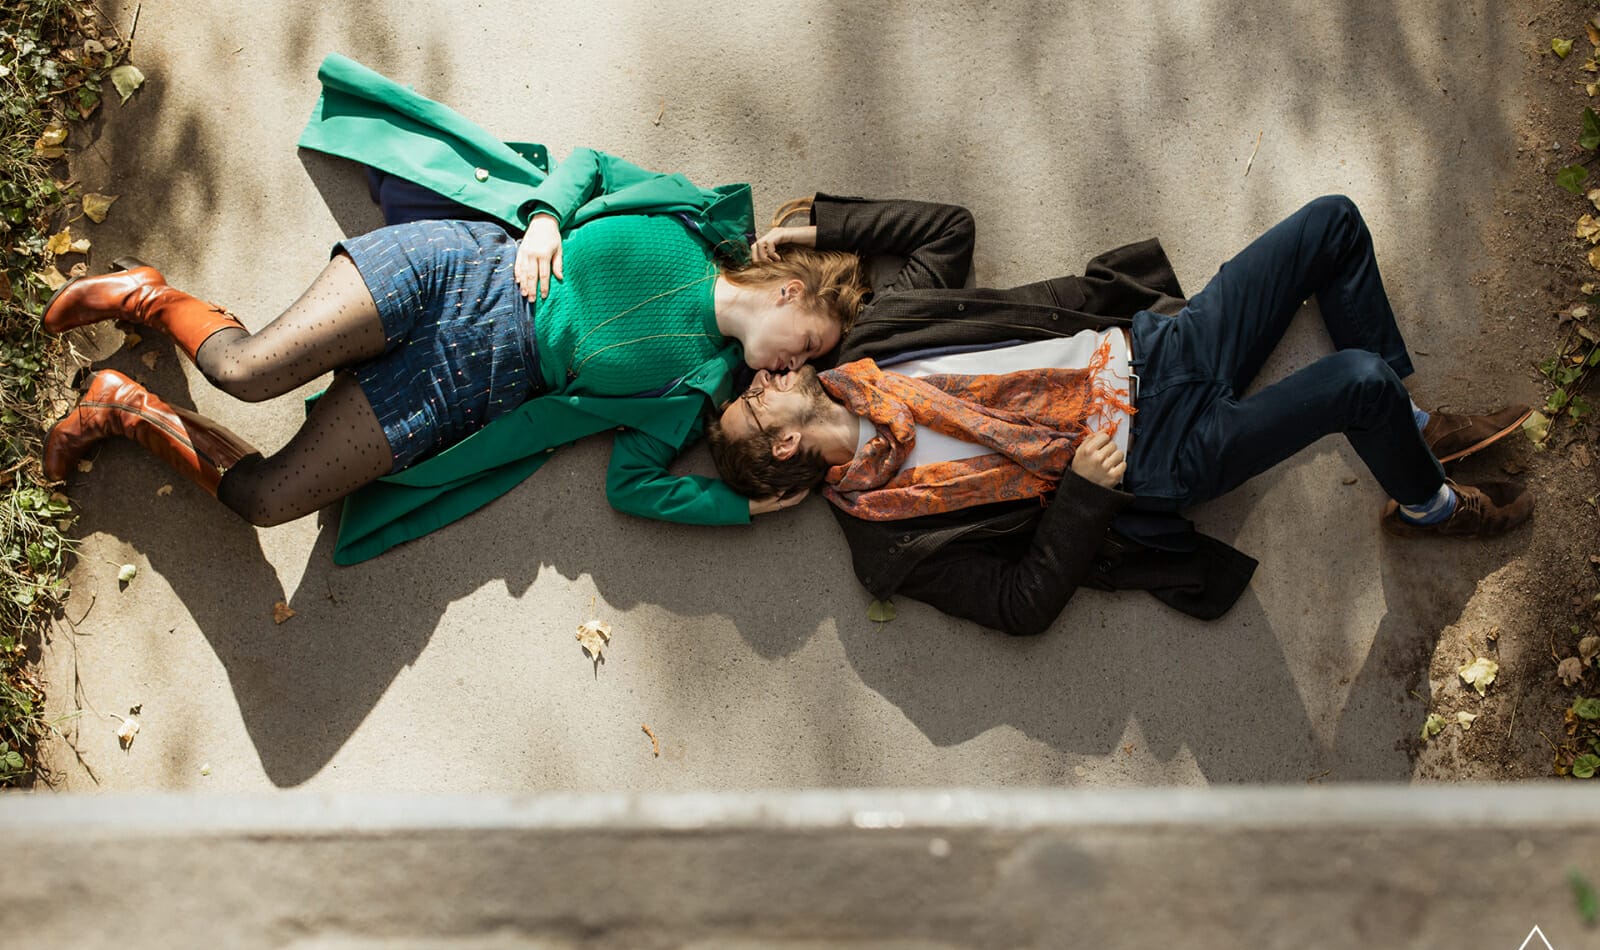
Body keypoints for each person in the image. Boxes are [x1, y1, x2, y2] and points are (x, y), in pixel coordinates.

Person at [36, 55, 972, 565]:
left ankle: (126, 408)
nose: (788, 368)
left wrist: (744, 511)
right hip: (454, 273)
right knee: (244, 368)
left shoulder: (688, 400)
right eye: (808, 343)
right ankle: (153, 297)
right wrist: (543, 214)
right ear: (788, 291)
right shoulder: (691, 220)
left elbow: (633, 490)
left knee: (269, 501)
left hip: (461, 386)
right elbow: (593, 165)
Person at [707, 196, 1534, 635]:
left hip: (1154, 346)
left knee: (1333, 223)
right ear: (784, 443)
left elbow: (945, 229)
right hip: (1159, 455)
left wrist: (820, 226)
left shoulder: (875, 341)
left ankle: (1413, 428)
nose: (768, 374)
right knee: (1352, 379)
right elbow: (1017, 605)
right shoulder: (887, 542)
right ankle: (1432, 506)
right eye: (757, 398)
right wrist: (1083, 497)